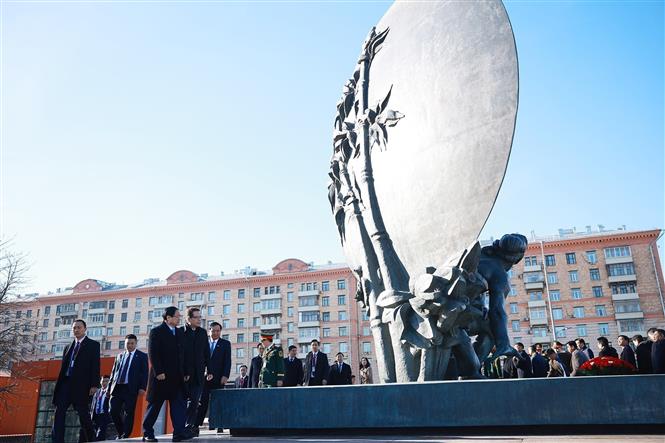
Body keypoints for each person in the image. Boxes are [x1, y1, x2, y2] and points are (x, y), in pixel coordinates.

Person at [142, 306, 190, 442]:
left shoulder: (180, 332)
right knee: (155, 406)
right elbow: (153, 353)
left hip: (177, 377)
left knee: (179, 405)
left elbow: (184, 354)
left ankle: (179, 433)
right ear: (168, 318)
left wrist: (186, 371)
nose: (179, 318)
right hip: (161, 377)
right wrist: (159, 371)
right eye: (177, 316)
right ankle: (147, 433)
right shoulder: (156, 332)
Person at [477, 233, 528, 357]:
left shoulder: (480, 257)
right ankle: (471, 367)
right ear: (517, 259)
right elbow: (497, 311)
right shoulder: (499, 273)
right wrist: (503, 343)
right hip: (457, 311)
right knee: (492, 329)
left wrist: (481, 307)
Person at [52, 319, 100, 443]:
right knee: (59, 412)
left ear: (85, 329)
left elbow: (95, 366)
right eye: (74, 328)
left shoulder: (93, 345)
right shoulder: (68, 347)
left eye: (79, 327)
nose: (76, 330)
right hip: (65, 384)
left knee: (83, 414)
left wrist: (94, 385)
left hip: (81, 386)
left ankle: (92, 439)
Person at [109, 334, 148, 440]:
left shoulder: (142, 356)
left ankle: (125, 435)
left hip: (130, 388)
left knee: (129, 412)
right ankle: (121, 431)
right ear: (125, 344)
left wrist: (142, 387)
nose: (130, 345)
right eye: (127, 343)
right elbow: (113, 372)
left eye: (132, 343)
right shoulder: (119, 356)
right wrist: (109, 388)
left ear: (136, 344)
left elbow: (145, 373)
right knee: (113, 411)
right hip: (117, 388)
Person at [196, 321, 231, 435]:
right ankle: (196, 425)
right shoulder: (203, 343)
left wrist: (225, 376)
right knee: (202, 402)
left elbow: (227, 361)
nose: (215, 333)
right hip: (204, 379)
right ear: (209, 331)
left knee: (218, 402)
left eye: (218, 331)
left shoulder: (225, 344)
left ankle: (219, 424)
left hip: (219, 378)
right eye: (213, 331)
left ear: (220, 332)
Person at [181, 307, 210, 437]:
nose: (199, 320)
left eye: (200, 317)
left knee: (194, 402)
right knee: (182, 402)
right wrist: (183, 372)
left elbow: (206, 352)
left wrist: (209, 369)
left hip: (198, 375)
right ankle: (181, 427)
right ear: (188, 319)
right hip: (184, 375)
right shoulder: (180, 332)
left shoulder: (202, 333)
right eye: (196, 317)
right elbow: (179, 355)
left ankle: (189, 426)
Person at [90, 375, 111, 441]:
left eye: (106, 381)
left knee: (101, 433)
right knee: (96, 433)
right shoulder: (97, 392)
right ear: (100, 382)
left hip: (105, 414)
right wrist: (91, 415)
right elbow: (93, 404)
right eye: (103, 381)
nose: (104, 383)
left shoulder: (111, 392)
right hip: (96, 415)